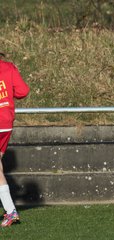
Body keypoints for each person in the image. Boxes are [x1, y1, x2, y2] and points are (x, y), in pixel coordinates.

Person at [0, 52, 30, 227]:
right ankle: (10, 211)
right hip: (5, 123)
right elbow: (22, 91)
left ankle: (11, 212)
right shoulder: (8, 67)